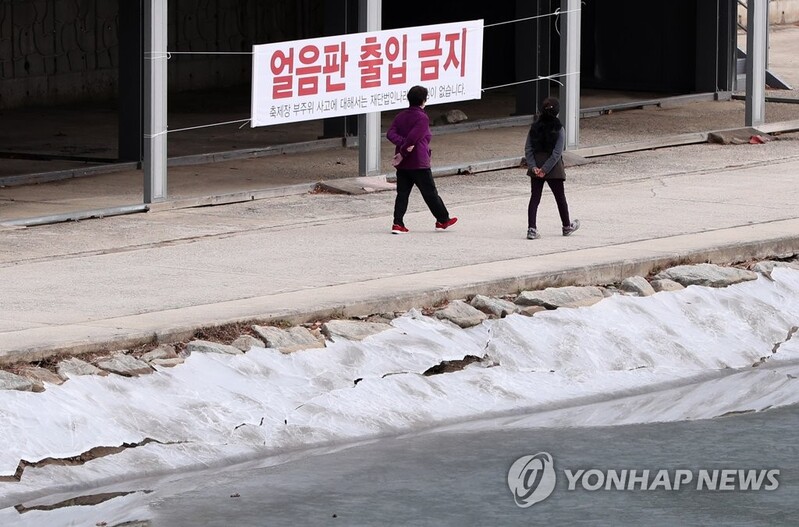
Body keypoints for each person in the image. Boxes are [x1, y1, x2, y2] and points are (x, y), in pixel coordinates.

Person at [387, 85, 457, 234]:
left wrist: (401, 146)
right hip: (418, 162)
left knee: (402, 194)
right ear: (424, 100)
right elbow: (413, 138)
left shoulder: (400, 116)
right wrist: (405, 149)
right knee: (430, 192)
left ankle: (397, 223)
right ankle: (443, 219)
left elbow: (390, 134)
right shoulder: (422, 117)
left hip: (403, 164)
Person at [523, 96, 580, 240]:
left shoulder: (534, 126)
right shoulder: (559, 128)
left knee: (535, 198)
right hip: (553, 168)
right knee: (560, 197)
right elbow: (557, 153)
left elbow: (528, 148)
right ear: (557, 112)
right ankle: (567, 226)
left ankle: (531, 229)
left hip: (536, 164)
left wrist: (534, 166)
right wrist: (546, 169)